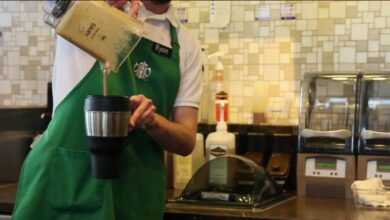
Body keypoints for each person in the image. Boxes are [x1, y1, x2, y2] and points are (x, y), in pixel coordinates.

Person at [12, 0, 202, 219]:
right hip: (65, 183)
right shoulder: (89, 10)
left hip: (135, 194)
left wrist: (152, 121)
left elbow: (186, 140)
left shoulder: (186, 44)